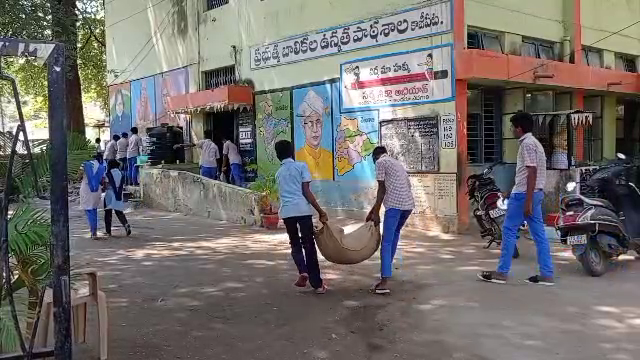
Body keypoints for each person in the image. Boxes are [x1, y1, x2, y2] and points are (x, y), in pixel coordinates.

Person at [478, 111, 554, 286]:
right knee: (539, 235)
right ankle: (547, 274)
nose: (511, 130)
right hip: (532, 193)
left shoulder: (527, 144)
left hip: (524, 196)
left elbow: (531, 172)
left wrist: (526, 200)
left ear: (519, 128)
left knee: (509, 231)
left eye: (513, 127)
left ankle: (502, 273)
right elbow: (525, 174)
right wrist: (510, 192)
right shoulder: (534, 143)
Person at [275, 139, 328, 294]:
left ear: (278, 155)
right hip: (302, 210)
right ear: (292, 152)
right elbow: (306, 192)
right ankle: (317, 284)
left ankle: (302, 271)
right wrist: (320, 211)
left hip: (287, 212)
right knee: (309, 246)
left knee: (295, 244)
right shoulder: (301, 167)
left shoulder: (279, 173)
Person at [366, 146, 414, 295]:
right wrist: (373, 210)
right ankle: (387, 270)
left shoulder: (381, 162)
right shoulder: (396, 163)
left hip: (394, 207)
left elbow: (382, 189)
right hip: (408, 205)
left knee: (386, 242)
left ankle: (384, 281)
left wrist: (377, 213)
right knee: (393, 237)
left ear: (375, 157)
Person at [295, 90, 333, 180]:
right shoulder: (296, 158)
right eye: (310, 123)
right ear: (303, 126)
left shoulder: (331, 158)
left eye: (318, 122)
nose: (315, 129)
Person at [79, 153, 106, 239]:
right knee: (94, 210)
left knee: (88, 211)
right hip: (97, 190)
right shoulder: (101, 167)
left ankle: (93, 231)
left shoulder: (84, 164)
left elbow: (79, 176)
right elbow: (102, 181)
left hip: (86, 189)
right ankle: (94, 231)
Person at [104, 159, 132, 237]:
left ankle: (108, 231)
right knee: (119, 211)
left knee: (108, 213)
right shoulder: (121, 173)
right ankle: (126, 224)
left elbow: (106, 184)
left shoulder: (108, 173)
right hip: (119, 193)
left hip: (110, 193)